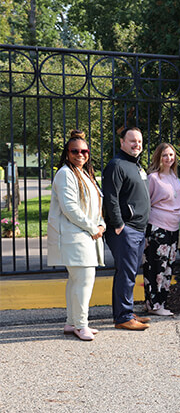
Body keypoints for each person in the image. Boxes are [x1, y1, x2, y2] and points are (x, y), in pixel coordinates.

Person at [47, 130, 106, 341]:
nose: (80, 154)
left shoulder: (85, 174)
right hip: (75, 235)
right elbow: (70, 208)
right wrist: (93, 228)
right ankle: (81, 325)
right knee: (83, 280)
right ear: (67, 153)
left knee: (76, 280)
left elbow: (95, 206)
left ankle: (72, 322)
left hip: (85, 234)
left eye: (84, 151)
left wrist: (101, 224)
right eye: (75, 151)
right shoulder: (65, 174)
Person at [103, 126, 152, 330]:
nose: (136, 144)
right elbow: (111, 197)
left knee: (128, 273)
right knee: (126, 273)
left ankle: (126, 313)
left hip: (138, 229)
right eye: (132, 141)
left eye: (139, 141)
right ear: (122, 142)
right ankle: (124, 317)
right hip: (125, 229)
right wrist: (118, 224)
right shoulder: (117, 165)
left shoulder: (136, 165)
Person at [142, 143, 180, 316]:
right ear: (158, 157)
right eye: (165, 155)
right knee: (155, 267)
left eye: (171, 155)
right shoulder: (153, 178)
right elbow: (147, 202)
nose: (169, 158)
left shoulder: (174, 176)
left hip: (173, 227)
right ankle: (154, 304)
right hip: (157, 227)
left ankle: (161, 302)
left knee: (168, 268)